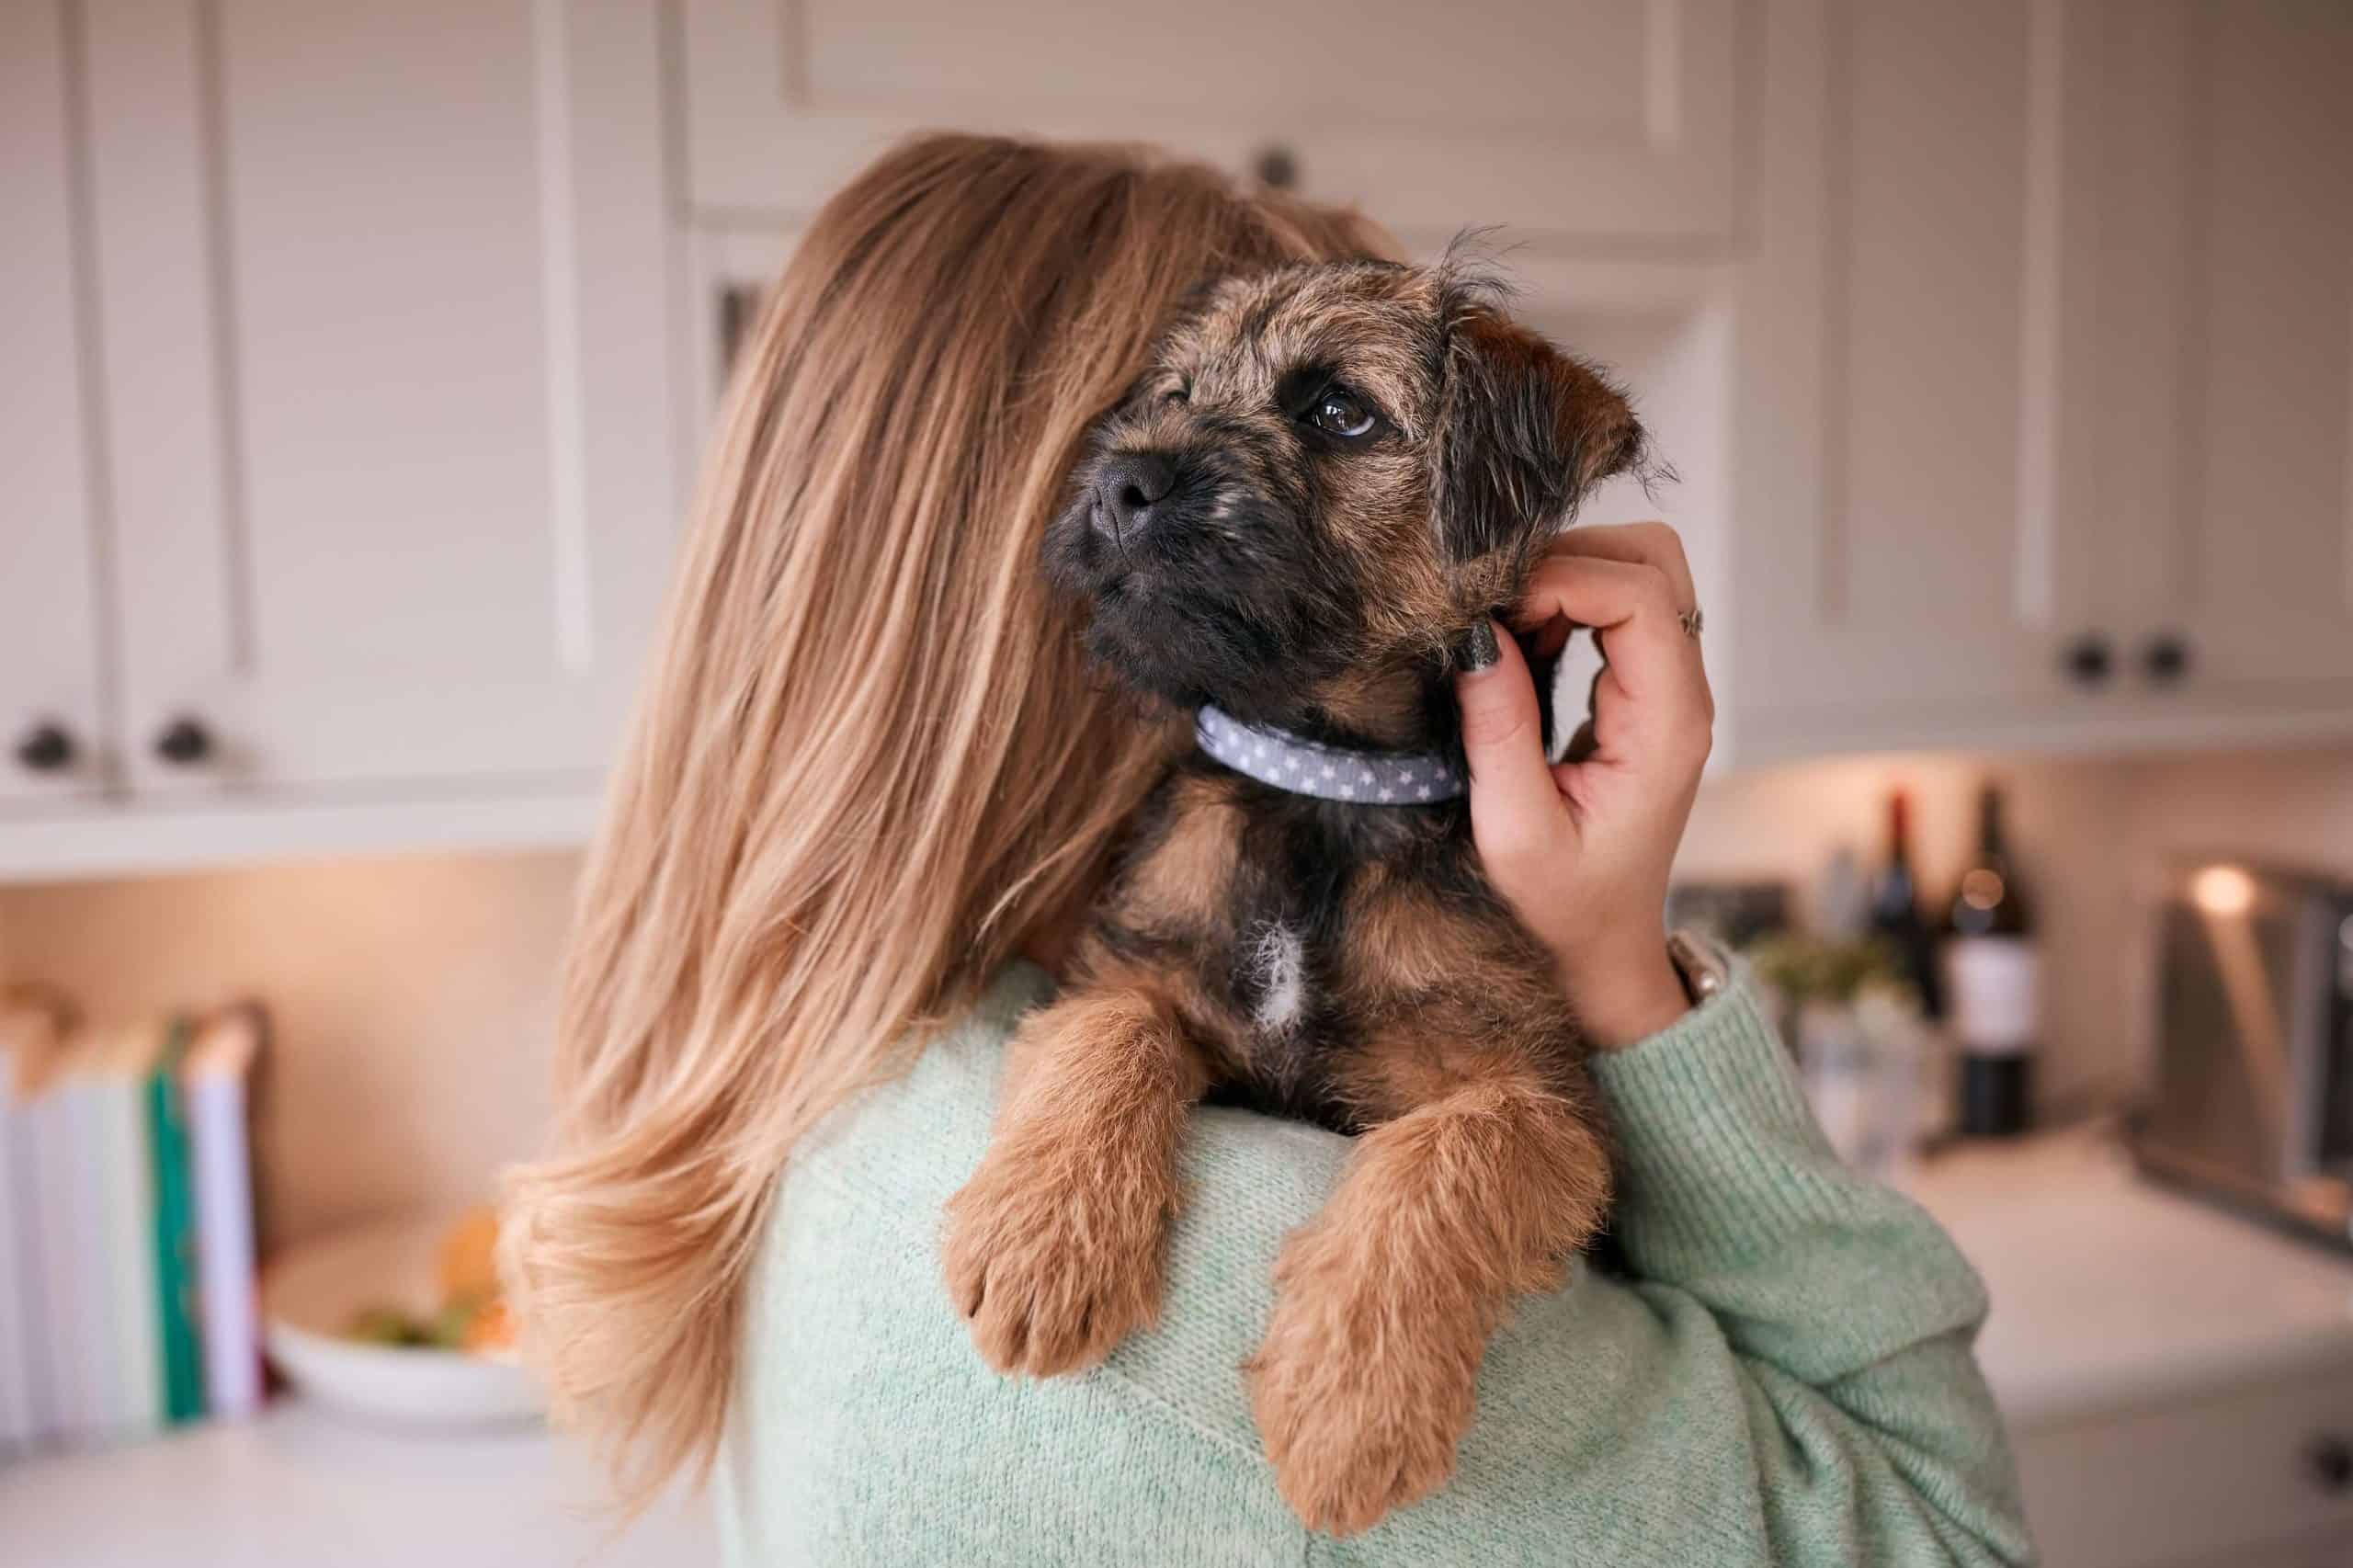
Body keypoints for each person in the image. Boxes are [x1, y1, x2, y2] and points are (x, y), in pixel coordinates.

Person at [504, 133, 2033, 1566]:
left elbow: (1511, 1114)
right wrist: (1628, 983)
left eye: (1335, 415)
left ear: (1497, 500)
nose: (1155, 458)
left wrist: (1590, 973)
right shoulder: (1199, 1296)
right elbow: (1940, 1521)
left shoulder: (848, 1083)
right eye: (1158, 399)